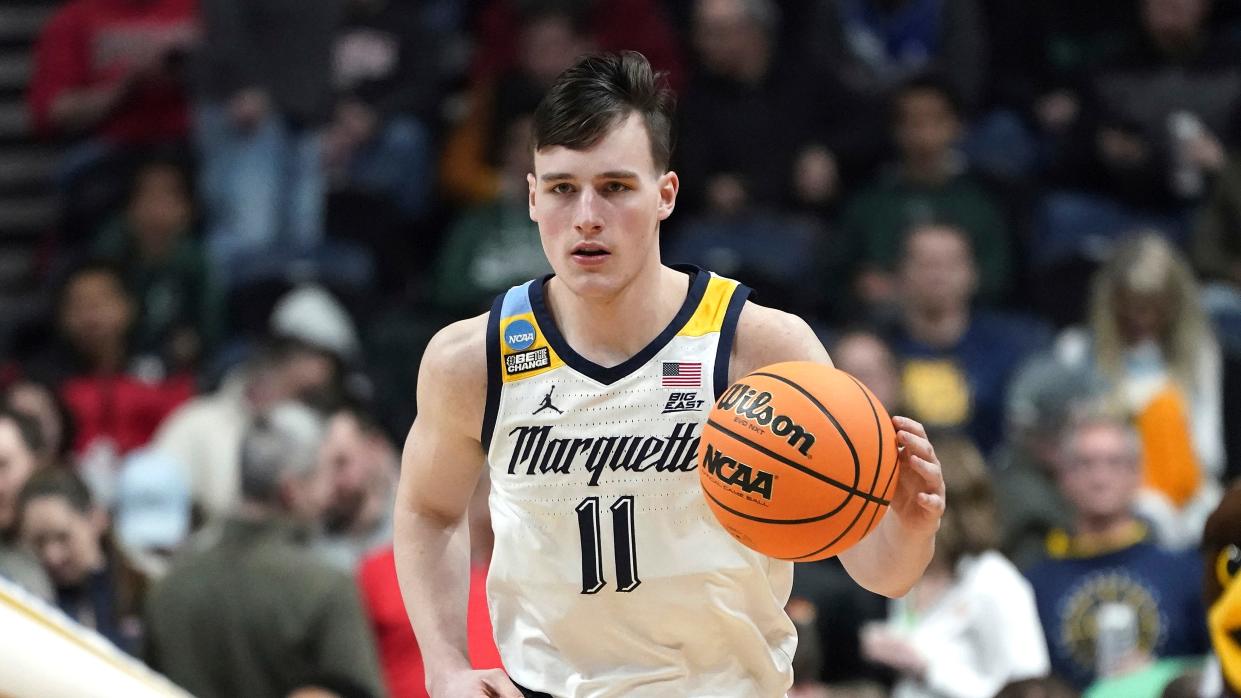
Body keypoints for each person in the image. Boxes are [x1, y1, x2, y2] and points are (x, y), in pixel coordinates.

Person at [393, 51, 947, 697]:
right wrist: (445, 665)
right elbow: (428, 509)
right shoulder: (473, 359)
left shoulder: (759, 347)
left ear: (665, 195)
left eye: (615, 187)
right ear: (531, 196)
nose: (587, 216)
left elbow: (880, 571)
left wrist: (910, 527)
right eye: (562, 188)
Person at [144, 401, 383, 698]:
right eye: (323, 476)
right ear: (291, 490)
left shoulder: (168, 589)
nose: (330, 493)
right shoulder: (326, 588)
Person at [1024, 411, 1208, 690]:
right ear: (1064, 477)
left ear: (1136, 473)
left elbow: (1219, 667)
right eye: (1085, 464)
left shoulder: (1186, 572)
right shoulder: (1035, 584)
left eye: (1114, 463)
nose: (1100, 477)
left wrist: (1160, 673)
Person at [860, 436, 1050, 698]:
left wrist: (925, 667)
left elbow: (1029, 687)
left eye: (907, 497)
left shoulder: (994, 579)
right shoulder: (910, 573)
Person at [17, 468, 149, 655]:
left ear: (96, 519)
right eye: (39, 542)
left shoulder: (142, 594)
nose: (52, 556)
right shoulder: (36, 609)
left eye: (63, 537)